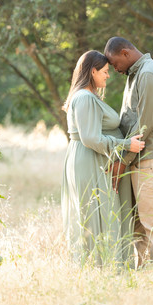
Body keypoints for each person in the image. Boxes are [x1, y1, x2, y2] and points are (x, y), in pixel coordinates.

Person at [61, 50, 145, 265]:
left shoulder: (85, 96)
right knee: (96, 214)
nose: (108, 75)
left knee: (97, 213)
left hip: (89, 159)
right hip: (88, 160)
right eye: (105, 71)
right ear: (93, 71)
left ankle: (100, 267)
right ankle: (101, 268)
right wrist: (126, 145)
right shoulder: (85, 97)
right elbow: (90, 138)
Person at [104, 37, 153, 267]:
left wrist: (122, 161)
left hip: (149, 157)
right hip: (138, 158)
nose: (114, 69)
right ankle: (146, 278)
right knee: (139, 224)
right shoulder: (136, 74)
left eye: (115, 64)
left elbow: (144, 125)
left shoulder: (148, 74)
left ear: (125, 53)